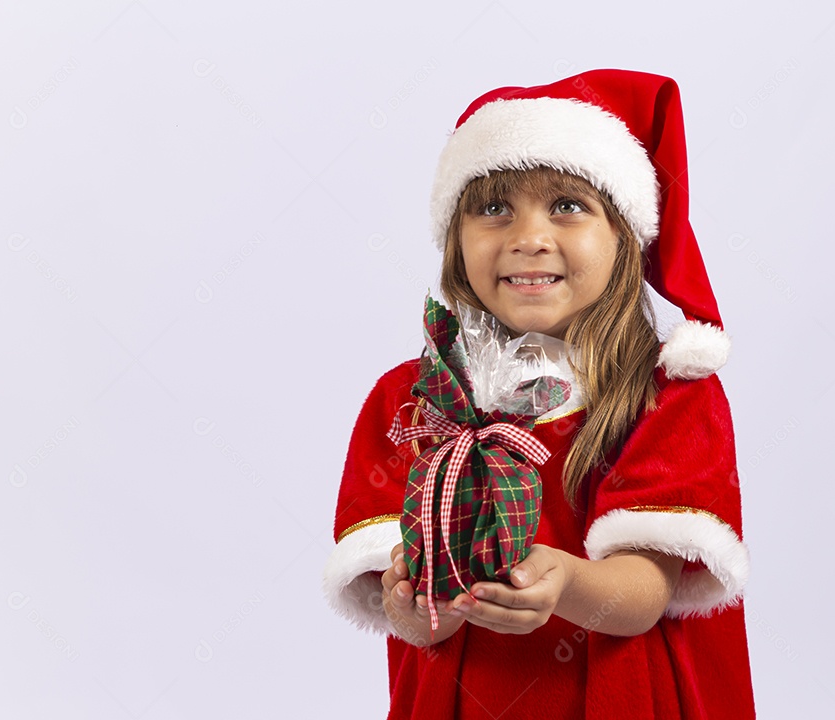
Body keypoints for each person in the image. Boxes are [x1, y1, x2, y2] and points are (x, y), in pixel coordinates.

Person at [323, 69, 755, 719]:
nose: (527, 237)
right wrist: (421, 609)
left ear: (625, 237)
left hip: (616, 697)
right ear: (454, 240)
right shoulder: (411, 402)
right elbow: (406, 614)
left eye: (567, 205)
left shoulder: (666, 400)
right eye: (493, 207)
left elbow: (644, 592)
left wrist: (567, 582)